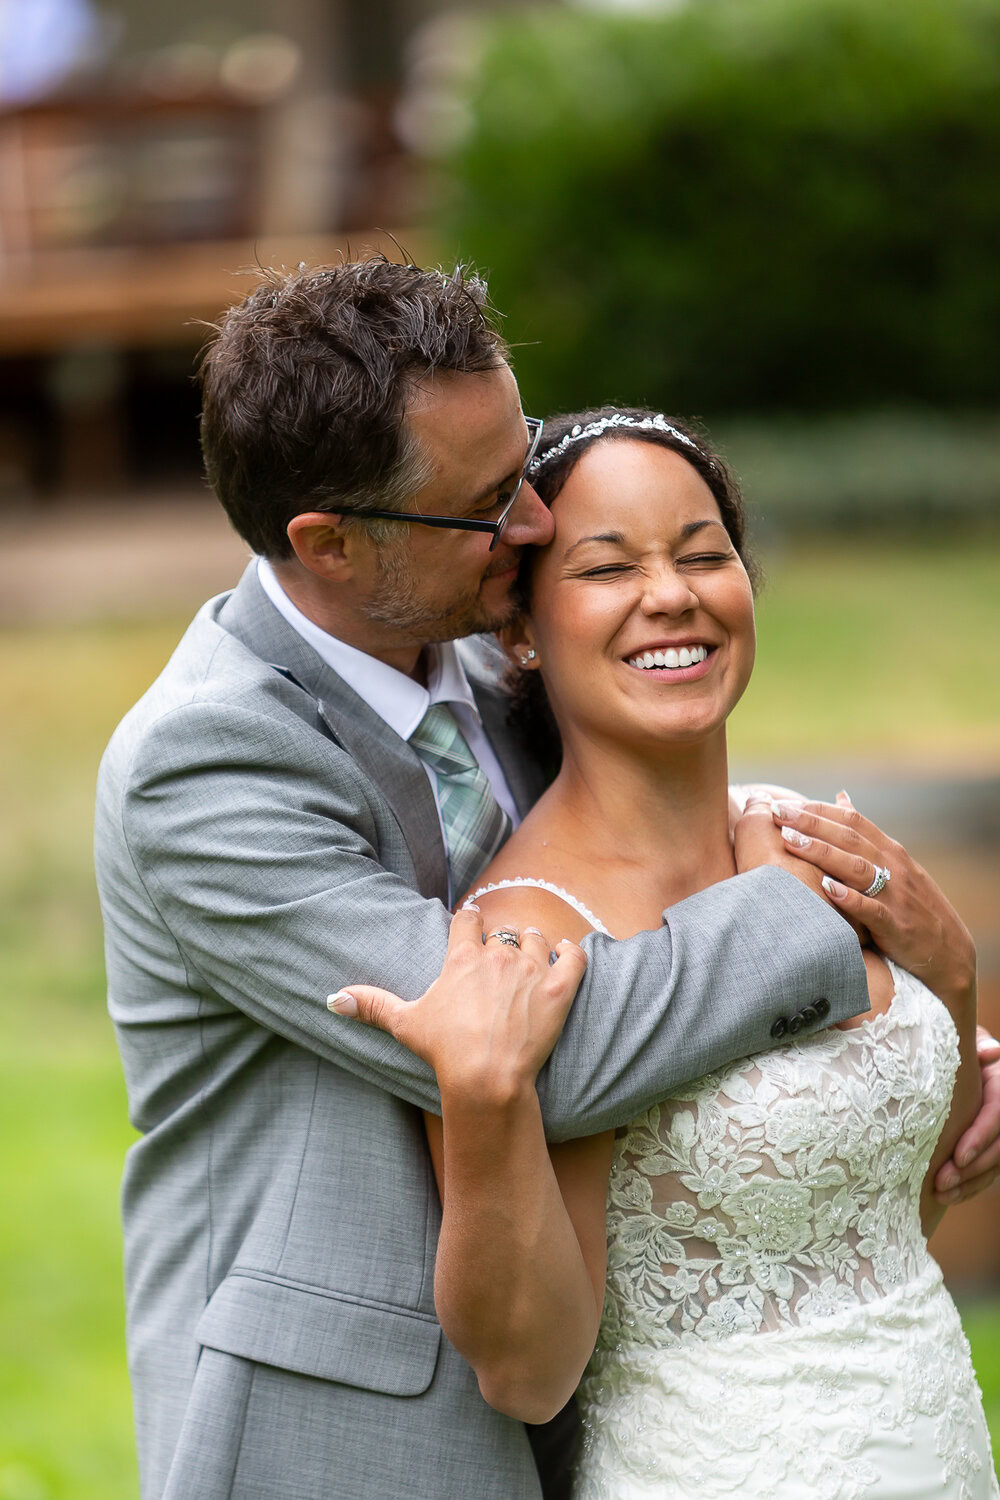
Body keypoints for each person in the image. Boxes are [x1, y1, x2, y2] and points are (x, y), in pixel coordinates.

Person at [94, 260, 1000, 1500]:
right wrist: (831, 918)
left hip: (662, 1388)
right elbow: (537, 1054)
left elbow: (650, 837)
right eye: (487, 507)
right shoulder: (202, 765)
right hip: (349, 1417)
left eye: (518, 462)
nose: (530, 525)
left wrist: (930, 1034)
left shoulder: (475, 648)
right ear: (329, 542)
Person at [333, 406, 999, 1497]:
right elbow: (528, 1370)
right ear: (522, 628)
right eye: (607, 568)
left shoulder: (805, 839)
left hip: (933, 1446)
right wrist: (488, 1101)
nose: (672, 594)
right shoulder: (528, 935)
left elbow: (890, 1218)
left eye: (704, 554)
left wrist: (954, 976)